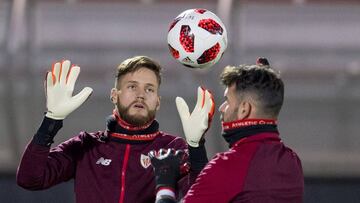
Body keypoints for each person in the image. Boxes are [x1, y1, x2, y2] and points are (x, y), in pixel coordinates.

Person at [16, 56, 210, 203]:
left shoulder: (171, 149)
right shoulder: (86, 145)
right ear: (114, 96)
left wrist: (196, 147)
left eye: (149, 89)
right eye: (132, 87)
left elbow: (203, 198)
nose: (141, 95)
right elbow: (29, 178)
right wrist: (51, 120)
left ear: (158, 102)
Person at [151, 58, 304, 203]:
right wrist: (195, 146)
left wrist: (165, 186)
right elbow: (214, 192)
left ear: (244, 109)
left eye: (227, 101)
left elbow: (223, 182)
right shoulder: (292, 162)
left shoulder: (229, 166)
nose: (222, 108)